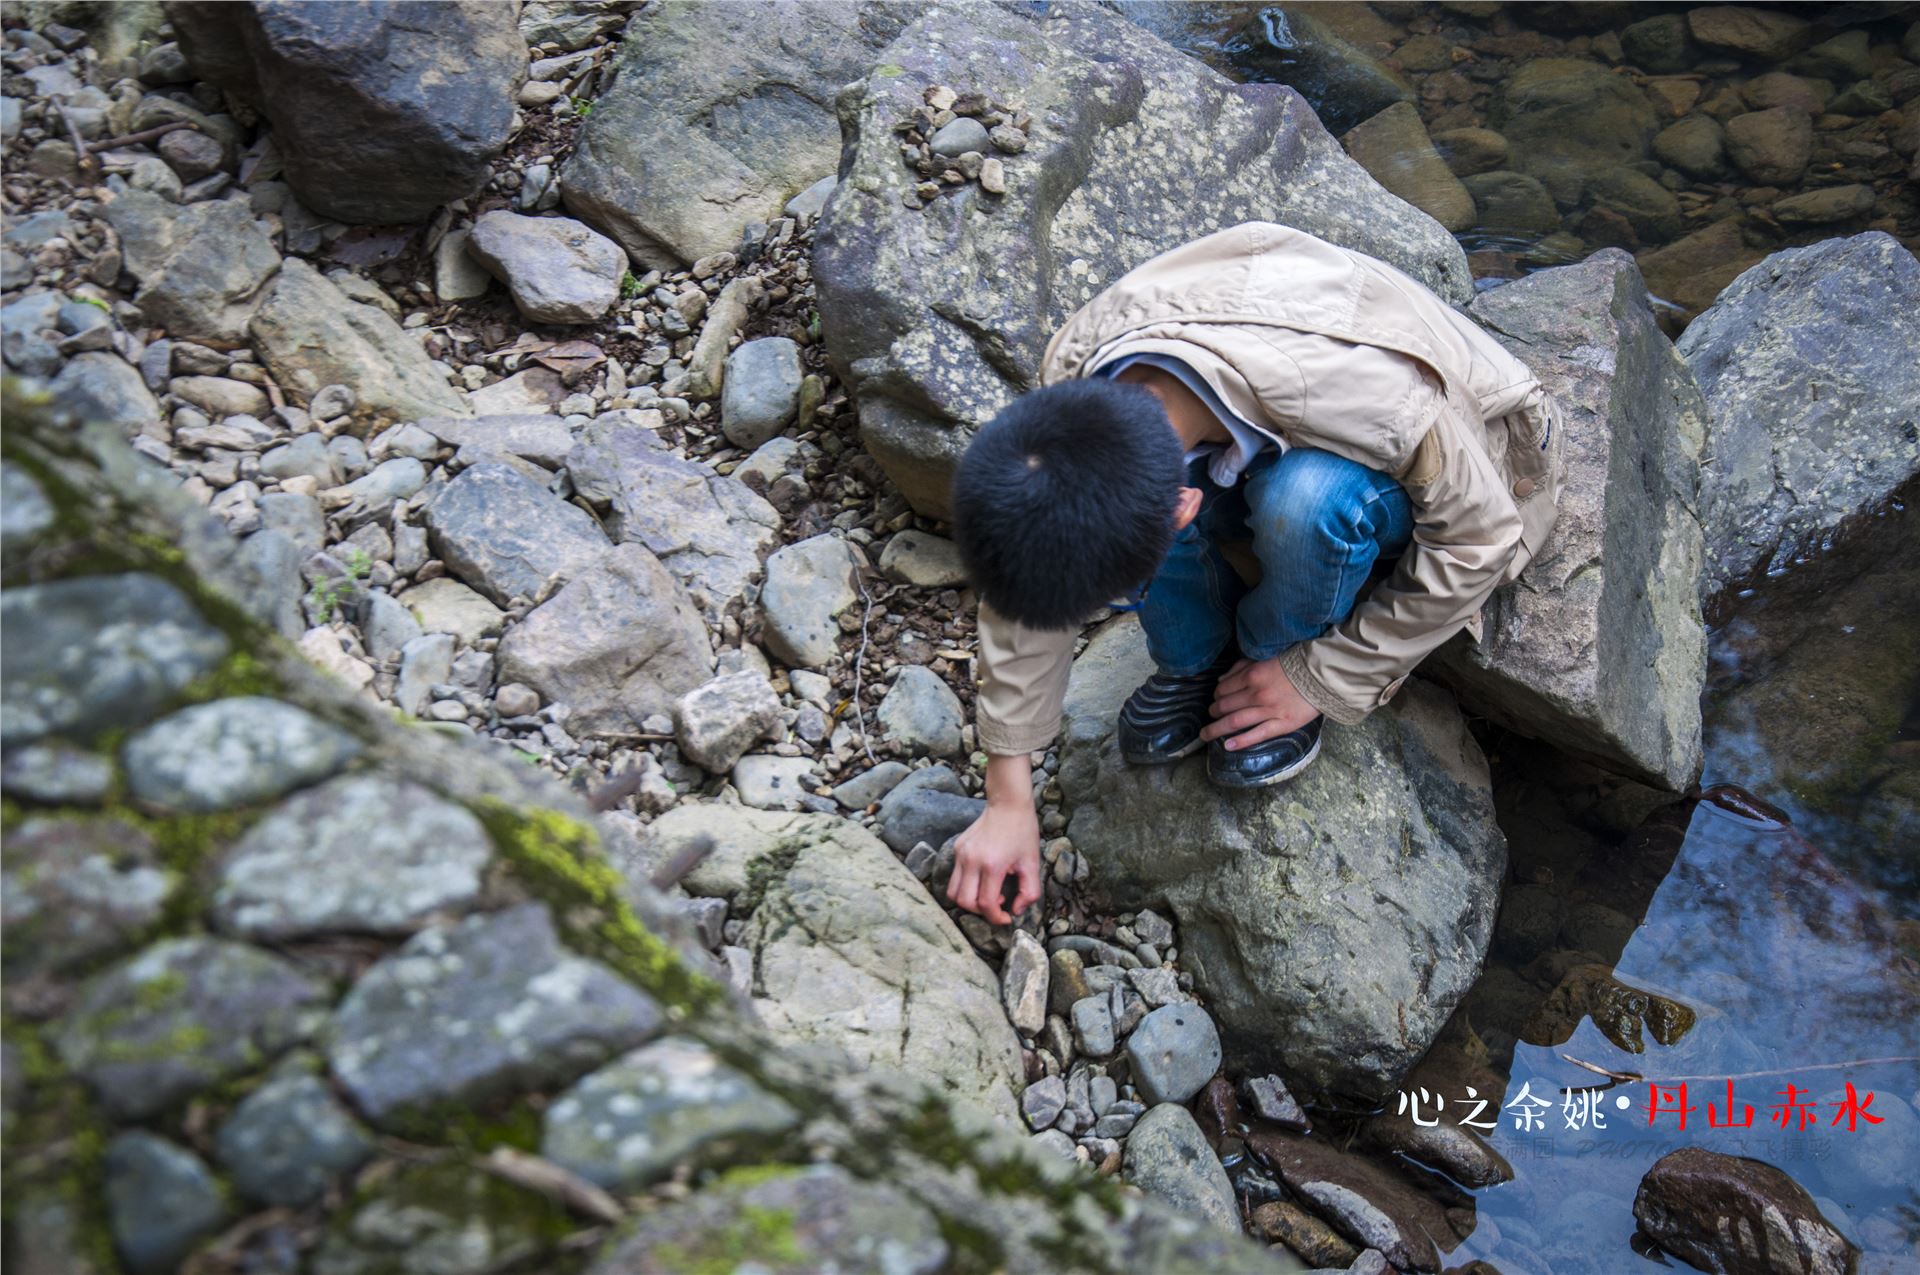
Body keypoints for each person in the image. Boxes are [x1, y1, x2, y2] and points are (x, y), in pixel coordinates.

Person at [941, 220, 1567, 925]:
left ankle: (1274, 653)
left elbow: (1481, 536)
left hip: (1452, 428)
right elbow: (1031, 564)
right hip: (1258, 392)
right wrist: (1008, 794)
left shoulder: (1381, 402)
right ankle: (1197, 657)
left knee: (1305, 503)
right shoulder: (1073, 390)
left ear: (1184, 508)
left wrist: (1325, 675)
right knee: (1265, 503)